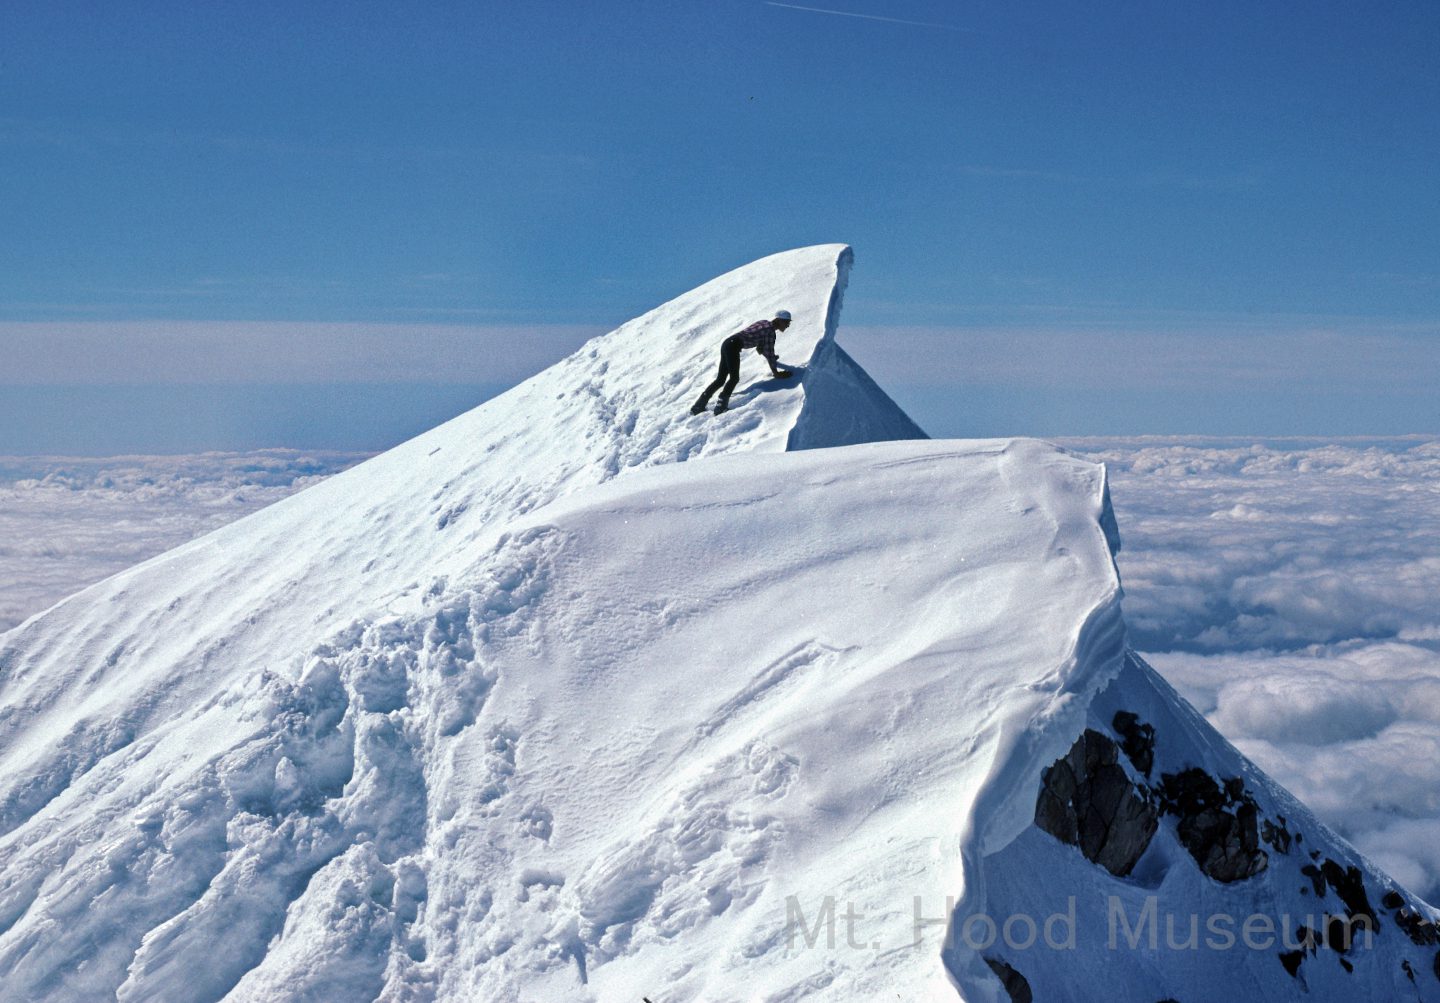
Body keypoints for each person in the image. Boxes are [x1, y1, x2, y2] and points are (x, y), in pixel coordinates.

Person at [689, 310, 795, 415]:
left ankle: (698, 406)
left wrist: (765, 352)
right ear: (778, 320)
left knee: (720, 379)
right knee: (734, 378)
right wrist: (776, 373)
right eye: (786, 322)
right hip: (734, 347)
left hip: (727, 343)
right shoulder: (770, 332)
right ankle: (720, 407)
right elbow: (769, 352)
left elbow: (761, 346)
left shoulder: (764, 322)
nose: (788, 325)